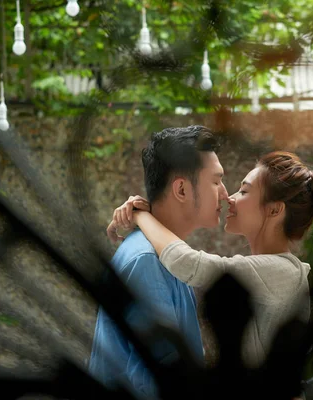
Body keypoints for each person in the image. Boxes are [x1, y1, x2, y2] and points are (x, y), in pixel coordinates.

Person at [108, 151, 313, 368]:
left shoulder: (282, 273)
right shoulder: (277, 270)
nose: (230, 198)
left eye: (244, 191)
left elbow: (187, 263)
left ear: (274, 210)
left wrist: (141, 216)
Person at [89, 125, 229, 399]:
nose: (225, 193)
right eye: (216, 181)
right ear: (181, 189)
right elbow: (160, 384)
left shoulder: (166, 256)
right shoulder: (148, 261)